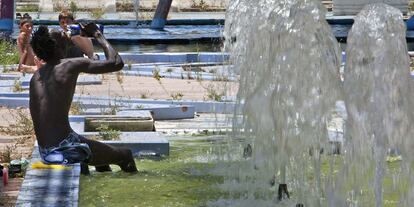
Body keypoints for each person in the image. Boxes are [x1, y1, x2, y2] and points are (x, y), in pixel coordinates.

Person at [29, 23, 137, 173]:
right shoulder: (70, 65)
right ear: (56, 45)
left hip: (46, 151)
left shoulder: (36, 77)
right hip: (66, 147)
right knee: (125, 155)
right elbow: (116, 63)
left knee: (101, 162)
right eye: (60, 32)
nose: (64, 32)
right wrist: (97, 34)